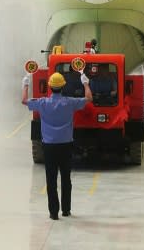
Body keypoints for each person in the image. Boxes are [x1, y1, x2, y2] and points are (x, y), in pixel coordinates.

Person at [21, 70, 92, 220]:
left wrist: (26, 84)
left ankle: (54, 212)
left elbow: (24, 101)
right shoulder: (70, 102)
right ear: (63, 86)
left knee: (51, 180)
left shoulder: (42, 103)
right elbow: (88, 98)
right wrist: (85, 82)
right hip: (66, 145)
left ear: (50, 86)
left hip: (49, 147)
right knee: (66, 178)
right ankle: (66, 210)